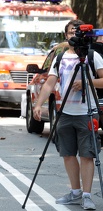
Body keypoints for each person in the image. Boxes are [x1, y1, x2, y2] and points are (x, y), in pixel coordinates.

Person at [33, 19, 103, 210]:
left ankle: (87, 196)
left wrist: (87, 82)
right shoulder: (60, 57)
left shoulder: (91, 55)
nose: (74, 36)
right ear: (66, 35)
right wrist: (38, 104)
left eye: (78, 32)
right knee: (68, 154)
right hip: (64, 112)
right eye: (72, 32)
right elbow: (49, 83)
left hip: (87, 113)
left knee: (87, 155)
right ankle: (75, 192)